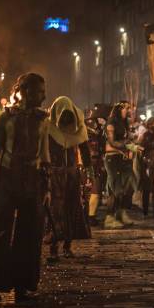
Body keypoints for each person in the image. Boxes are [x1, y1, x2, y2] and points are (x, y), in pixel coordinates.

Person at [0, 73, 51, 303]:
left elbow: (44, 154)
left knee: (29, 234)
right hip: (8, 179)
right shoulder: (4, 119)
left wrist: (46, 187)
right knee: (0, 233)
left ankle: (22, 286)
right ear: (25, 91)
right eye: (39, 91)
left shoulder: (42, 120)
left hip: (32, 179)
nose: (43, 95)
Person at [46, 96, 93, 263]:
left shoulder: (79, 126)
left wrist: (90, 176)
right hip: (55, 173)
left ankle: (67, 245)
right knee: (56, 211)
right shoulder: (48, 127)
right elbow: (43, 152)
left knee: (71, 209)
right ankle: (53, 247)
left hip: (72, 174)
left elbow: (85, 152)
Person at [103, 102, 142, 229]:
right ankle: (109, 218)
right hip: (112, 158)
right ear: (119, 109)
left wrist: (132, 142)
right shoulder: (111, 122)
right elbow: (112, 141)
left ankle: (120, 214)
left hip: (123, 158)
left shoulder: (124, 123)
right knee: (115, 188)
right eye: (127, 108)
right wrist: (128, 145)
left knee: (123, 188)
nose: (129, 111)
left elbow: (125, 139)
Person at [84, 111, 106, 226]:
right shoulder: (90, 135)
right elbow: (94, 150)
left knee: (94, 191)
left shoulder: (97, 134)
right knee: (94, 191)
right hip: (90, 164)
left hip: (93, 163)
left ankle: (90, 216)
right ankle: (89, 216)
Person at [138, 117, 154, 218]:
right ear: (150, 125)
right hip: (147, 163)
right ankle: (145, 210)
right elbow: (142, 148)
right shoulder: (146, 135)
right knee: (146, 189)